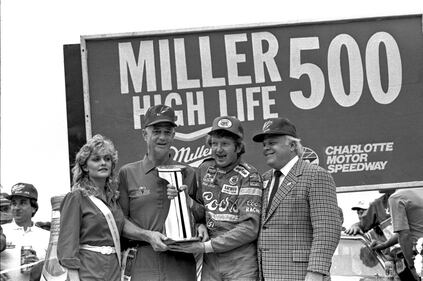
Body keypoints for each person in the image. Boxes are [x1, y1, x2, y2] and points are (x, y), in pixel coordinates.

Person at [118, 104, 207, 281]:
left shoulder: (188, 173)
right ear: (145, 134)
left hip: (180, 259)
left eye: (167, 132)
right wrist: (148, 236)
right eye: (156, 131)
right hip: (142, 259)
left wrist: (199, 225)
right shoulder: (127, 173)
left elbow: (201, 216)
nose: (162, 137)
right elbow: (120, 221)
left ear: (173, 135)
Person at [168, 116, 263, 280]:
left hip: (240, 265)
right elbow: (200, 212)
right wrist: (193, 213)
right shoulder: (204, 169)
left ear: (238, 147)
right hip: (211, 265)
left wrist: (206, 246)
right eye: (214, 143)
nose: (218, 149)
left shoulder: (250, 175)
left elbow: (249, 229)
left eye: (225, 144)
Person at [253, 118, 341, 281]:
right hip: (265, 275)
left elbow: (327, 229)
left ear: (292, 145)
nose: (266, 148)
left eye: (272, 143)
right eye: (264, 145)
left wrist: (316, 272)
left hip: (302, 275)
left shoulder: (316, 175)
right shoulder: (264, 179)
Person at [57, 134, 124, 281]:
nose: (103, 163)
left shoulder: (113, 199)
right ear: (85, 167)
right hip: (88, 270)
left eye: (107, 159)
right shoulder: (76, 198)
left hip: (114, 270)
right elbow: (67, 245)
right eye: (96, 159)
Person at [0, 183, 50, 281]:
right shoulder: (1, 231)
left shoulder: (47, 236)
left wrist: (39, 267)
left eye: (22, 203)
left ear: (34, 208)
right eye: (14, 203)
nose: (17, 208)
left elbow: (55, 271)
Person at [388, 188, 423, 281]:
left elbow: (404, 234)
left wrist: (412, 267)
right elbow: (410, 229)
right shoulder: (418, 192)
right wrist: (384, 244)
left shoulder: (396, 197)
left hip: (419, 255)